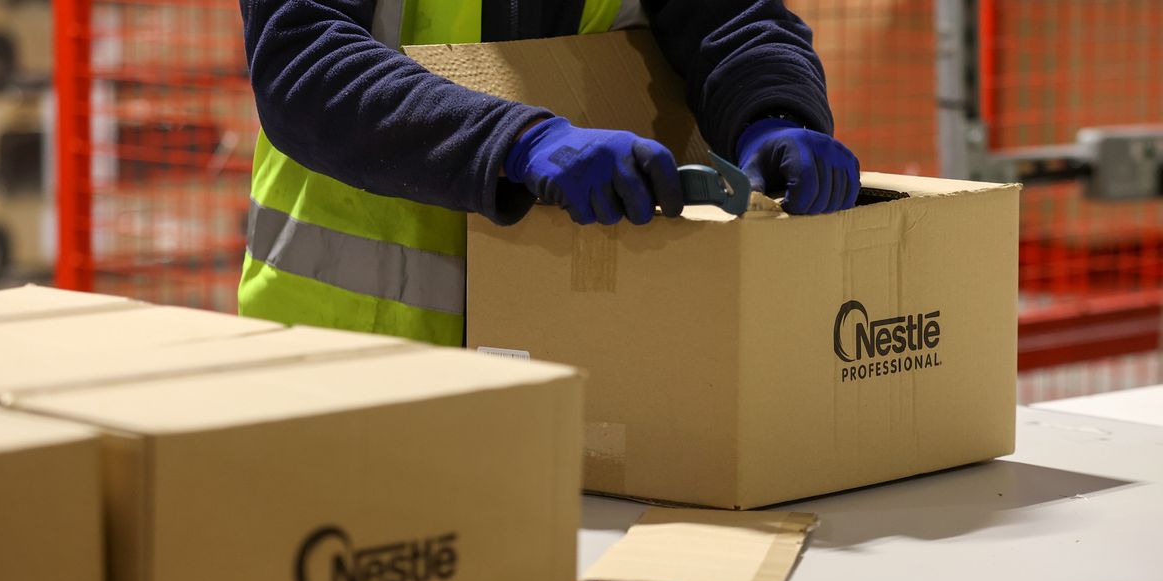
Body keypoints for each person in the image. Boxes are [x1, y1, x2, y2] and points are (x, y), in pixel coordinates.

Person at [238, 0, 860, 346]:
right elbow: (303, 61)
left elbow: (733, 18)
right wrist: (519, 143)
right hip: (350, 355)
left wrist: (774, 114)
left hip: (582, 351)